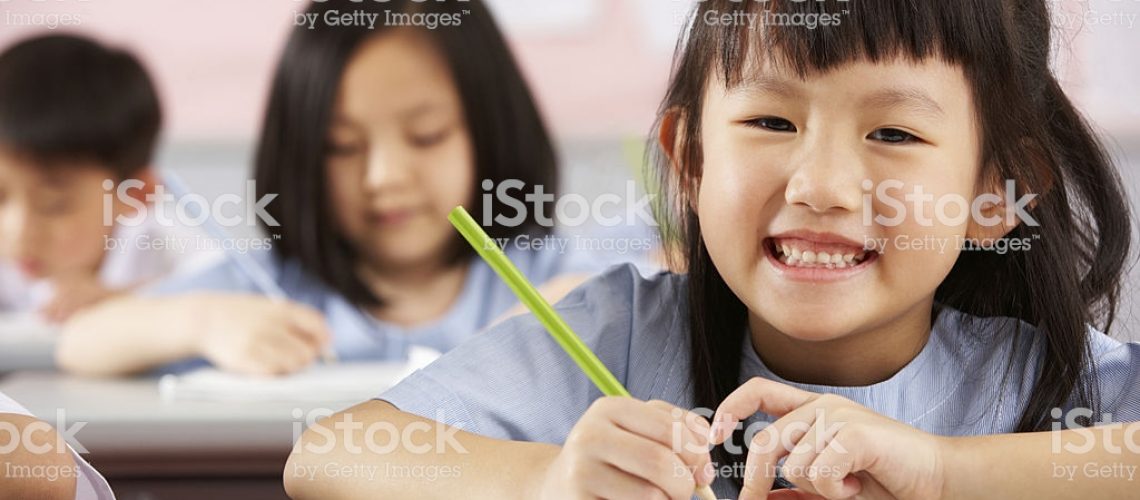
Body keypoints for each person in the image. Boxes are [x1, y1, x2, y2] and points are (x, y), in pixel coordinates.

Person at [284, 1, 1140, 498]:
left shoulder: (1054, 386)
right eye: (771, 121)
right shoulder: (620, 334)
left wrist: (943, 474)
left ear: (999, 193)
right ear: (690, 160)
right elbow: (326, 453)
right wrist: (547, 482)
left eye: (893, 131)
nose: (822, 184)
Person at [59, 0, 630, 377]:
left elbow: (651, 287)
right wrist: (201, 322)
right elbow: (80, 343)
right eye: (341, 147)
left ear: (491, 131)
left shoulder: (540, 272)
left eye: (426, 136)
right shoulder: (270, 287)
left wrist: (587, 303)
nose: (382, 177)